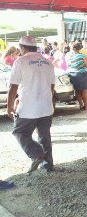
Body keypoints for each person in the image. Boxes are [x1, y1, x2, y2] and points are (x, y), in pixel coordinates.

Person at [7, 36, 55, 173]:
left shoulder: (20, 61)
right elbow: (52, 86)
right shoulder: (48, 62)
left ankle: (37, 155)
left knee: (20, 132)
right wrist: (47, 99)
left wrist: (9, 106)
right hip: (46, 107)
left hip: (28, 107)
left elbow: (13, 86)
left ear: (22, 48)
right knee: (44, 135)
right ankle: (48, 163)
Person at [68, 43, 87, 110]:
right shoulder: (82, 56)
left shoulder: (70, 56)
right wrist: (86, 68)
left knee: (77, 91)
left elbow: (68, 66)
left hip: (72, 74)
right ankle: (85, 106)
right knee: (84, 91)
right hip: (81, 74)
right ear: (80, 49)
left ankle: (81, 105)